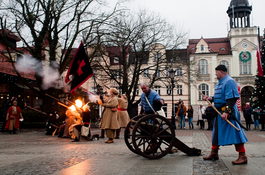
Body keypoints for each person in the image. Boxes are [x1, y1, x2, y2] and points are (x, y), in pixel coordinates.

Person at [202, 65, 248, 165]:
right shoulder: (220, 82)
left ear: (222, 71)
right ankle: (214, 153)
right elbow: (220, 97)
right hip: (219, 112)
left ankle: (242, 156)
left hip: (228, 111)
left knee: (236, 132)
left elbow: (231, 98)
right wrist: (210, 98)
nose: (215, 74)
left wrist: (227, 112)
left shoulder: (229, 81)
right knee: (216, 133)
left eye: (216, 72)